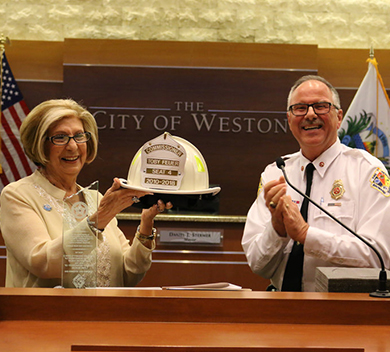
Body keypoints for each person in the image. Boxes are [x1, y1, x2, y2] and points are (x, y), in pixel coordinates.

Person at [0, 99, 172, 288]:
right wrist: (100, 218)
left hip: (105, 315)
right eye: (60, 137)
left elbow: (127, 274)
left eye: (79, 136)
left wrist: (146, 225)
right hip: (47, 315)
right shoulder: (17, 195)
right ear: (39, 145)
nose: (73, 146)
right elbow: (43, 263)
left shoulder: (95, 198)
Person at [242, 75, 390, 292]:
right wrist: (277, 230)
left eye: (320, 106)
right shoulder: (275, 173)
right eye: (300, 108)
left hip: (344, 311)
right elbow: (257, 265)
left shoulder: (366, 170)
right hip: (281, 307)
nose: (310, 114)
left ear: (339, 117)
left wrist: (306, 235)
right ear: (289, 119)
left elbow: (380, 259)